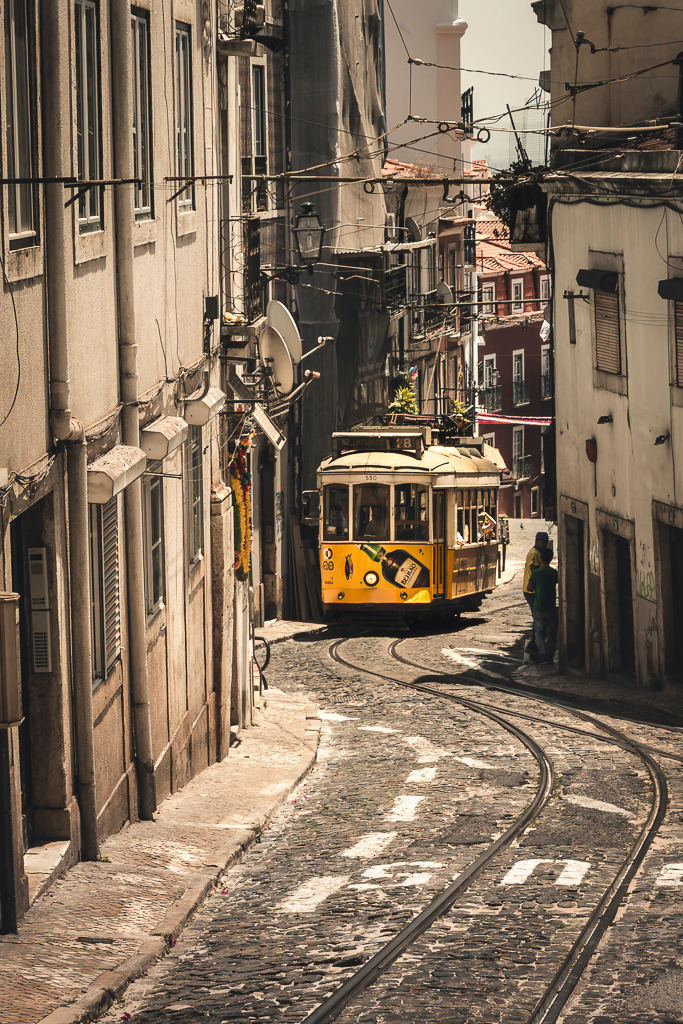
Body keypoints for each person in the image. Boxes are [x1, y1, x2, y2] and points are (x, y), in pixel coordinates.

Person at [528, 546, 559, 663]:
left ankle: (542, 654)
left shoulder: (536, 573)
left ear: (540, 559)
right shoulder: (554, 573)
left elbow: (529, 587)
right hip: (550, 606)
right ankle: (549, 655)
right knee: (551, 633)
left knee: (539, 633)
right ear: (551, 559)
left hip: (538, 606)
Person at [523, 531, 549, 654]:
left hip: (532, 590)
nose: (544, 544)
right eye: (543, 542)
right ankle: (533, 646)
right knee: (538, 618)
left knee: (537, 618)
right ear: (537, 541)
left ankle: (534, 644)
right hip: (531, 590)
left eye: (546, 542)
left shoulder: (537, 552)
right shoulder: (534, 553)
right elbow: (533, 568)